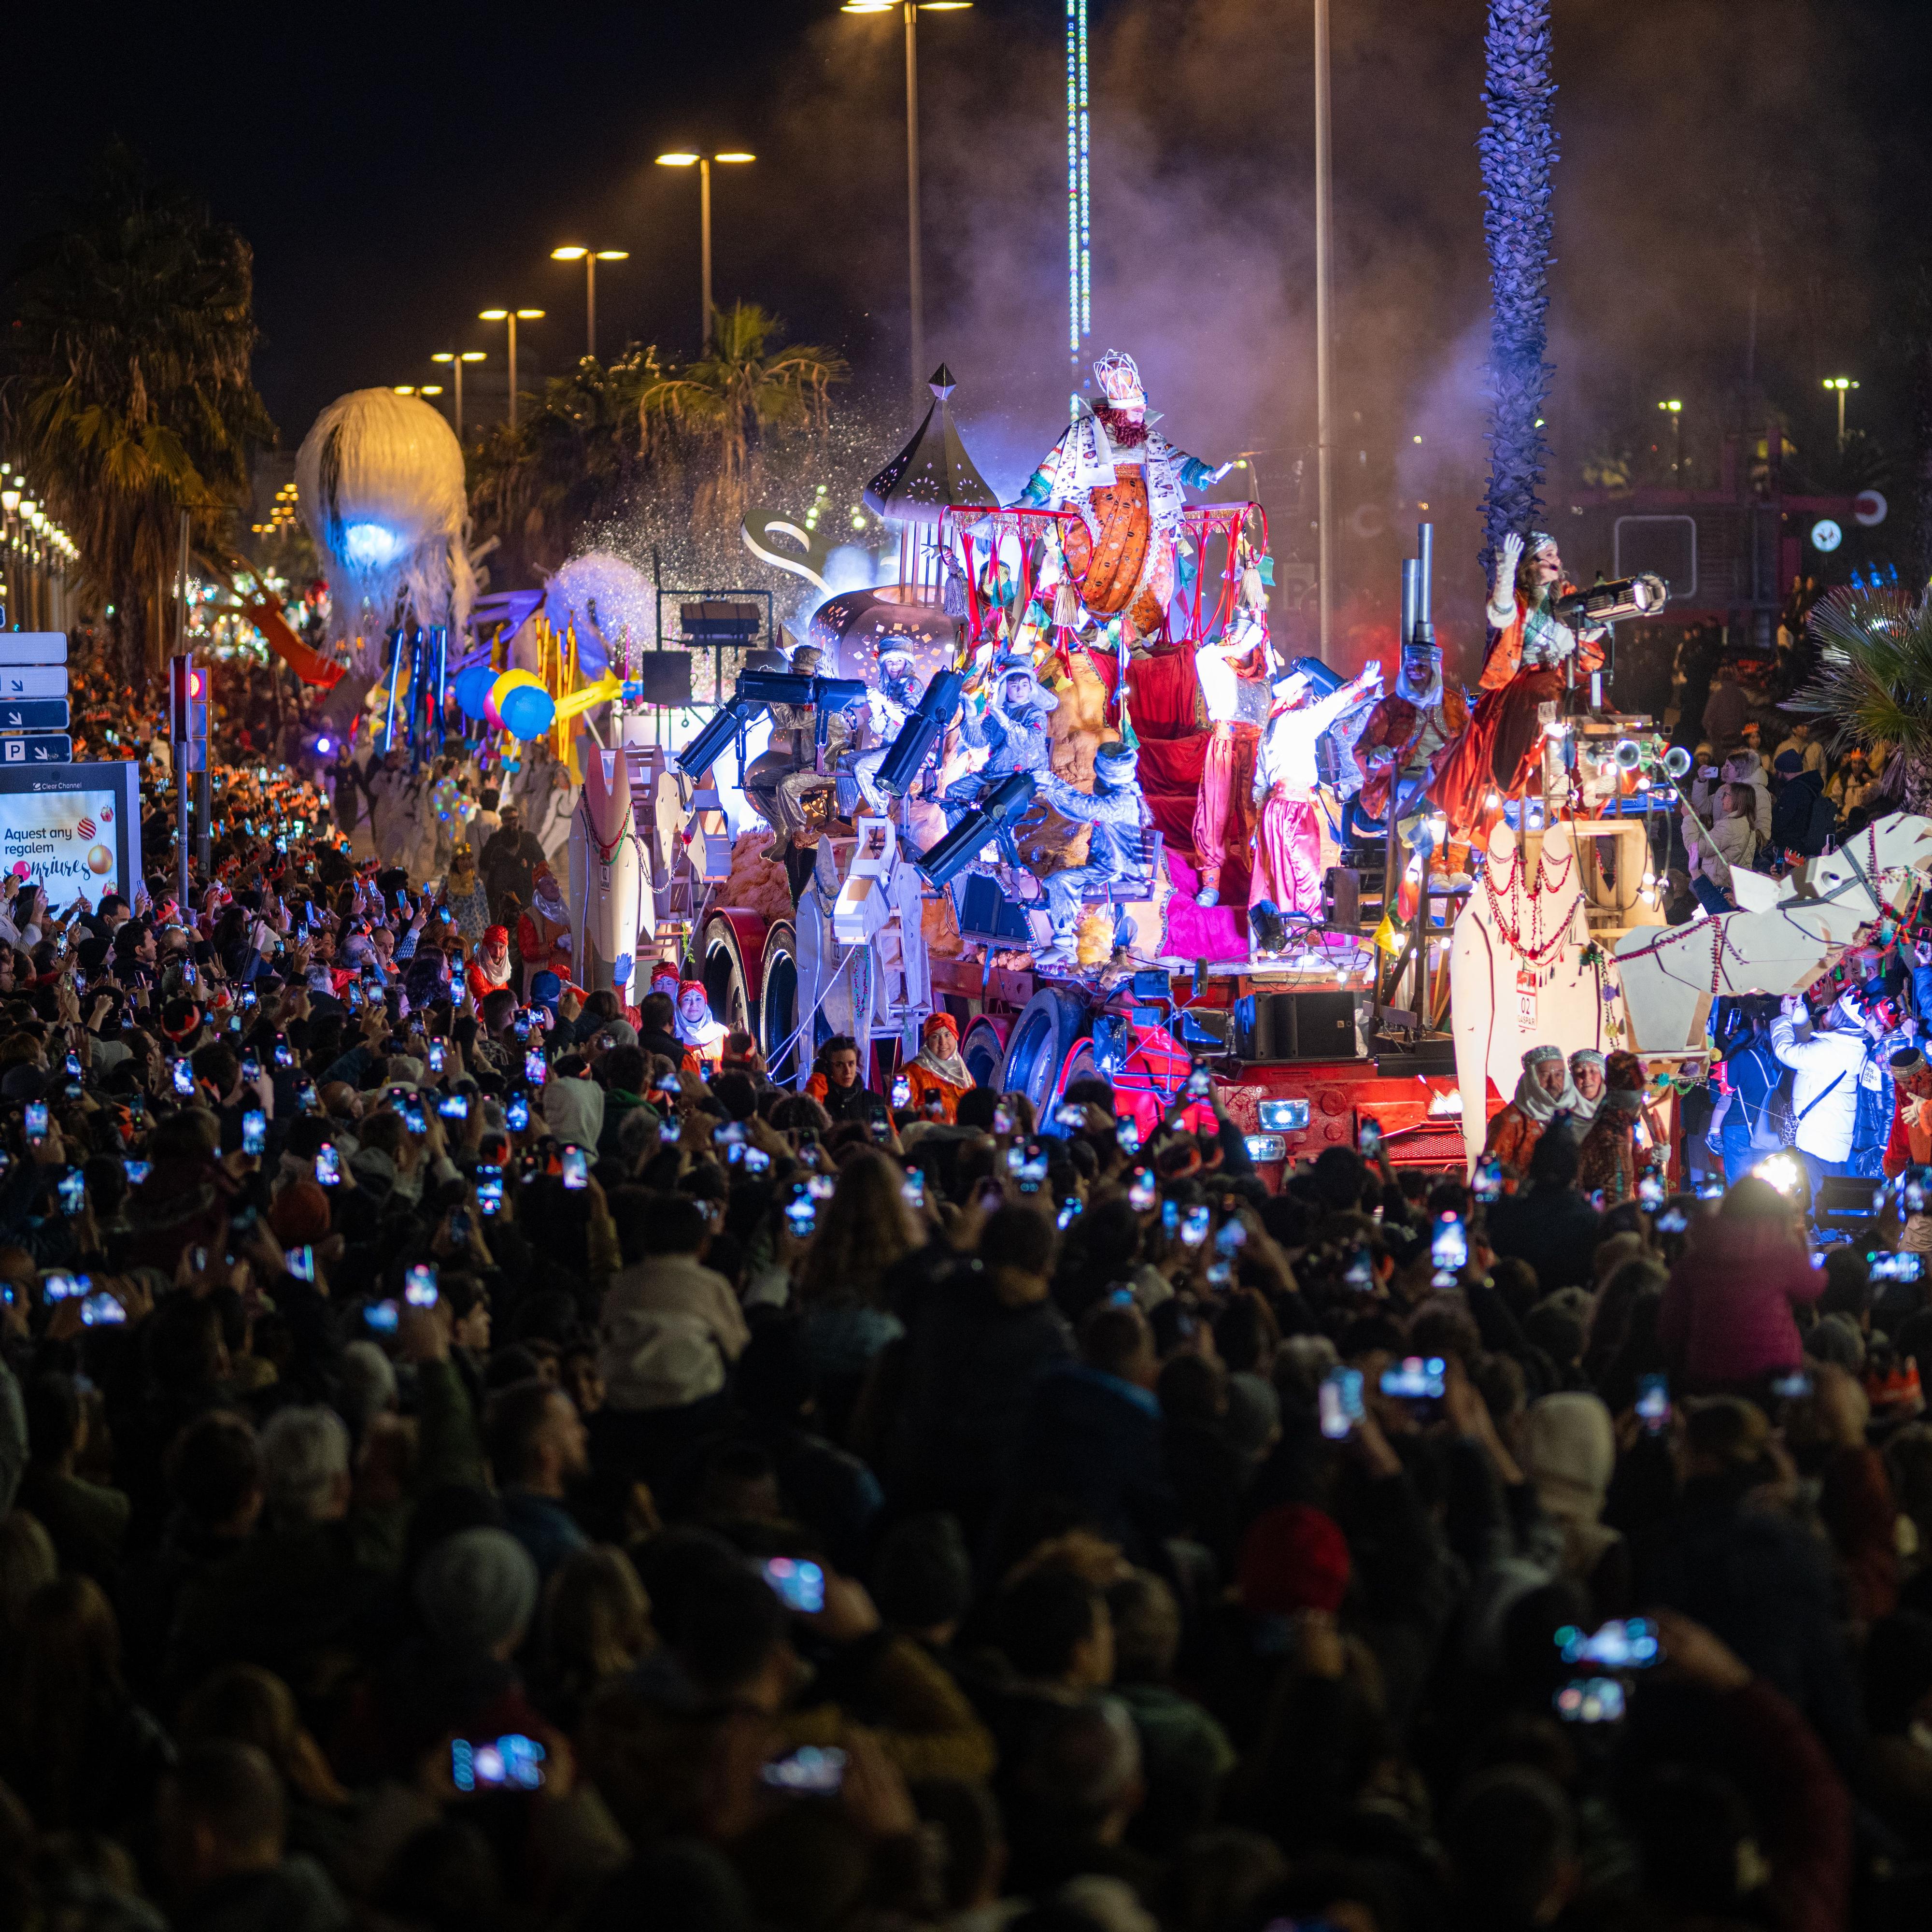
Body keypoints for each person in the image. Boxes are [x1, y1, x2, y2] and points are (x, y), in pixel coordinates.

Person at [1247, 659, 1383, 954]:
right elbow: (1329, 708)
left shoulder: (1269, 729)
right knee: (1305, 872)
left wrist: (1258, 825)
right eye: (1308, 696)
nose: (1312, 701)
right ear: (1295, 697)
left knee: (1278, 872)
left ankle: (1284, 937)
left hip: (1274, 808)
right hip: (1294, 808)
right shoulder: (1296, 722)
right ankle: (1309, 931)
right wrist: (1361, 683)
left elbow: (1260, 782)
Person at [1658, 1176, 1825, 1392]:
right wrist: (1799, 1243)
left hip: (1707, 1378)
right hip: (1775, 1378)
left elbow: (1670, 1328)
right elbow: (1815, 1288)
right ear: (1777, 1215)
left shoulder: (1697, 1256)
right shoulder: (1781, 1253)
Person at [1771, 989, 1881, 1210]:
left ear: (1841, 1017)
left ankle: (1826, 1238)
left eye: (1832, 1008)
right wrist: (1799, 1010)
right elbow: (1809, 1046)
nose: (1828, 1008)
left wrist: (1784, 1018)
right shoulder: (1845, 1046)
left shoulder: (1832, 1050)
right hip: (1827, 1137)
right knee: (1826, 1198)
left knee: (1820, 1204)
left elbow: (1786, 1052)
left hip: (1820, 1139)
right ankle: (1829, 1235)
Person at [1481, 1043, 1580, 1179]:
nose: (1553, 1083)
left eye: (1559, 1075)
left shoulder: (1573, 1116)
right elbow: (1489, 1175)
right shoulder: (1509, 1121)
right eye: (1545, 1076)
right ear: (1531, 1080)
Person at [901, 1011, 974, 1122]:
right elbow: (897, 1117)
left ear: (955, 1038)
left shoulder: (964, 1075)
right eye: (935, 1037)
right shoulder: (908, 1074)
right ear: (928, 1042)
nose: (943, 1042)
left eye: (948, 1035)